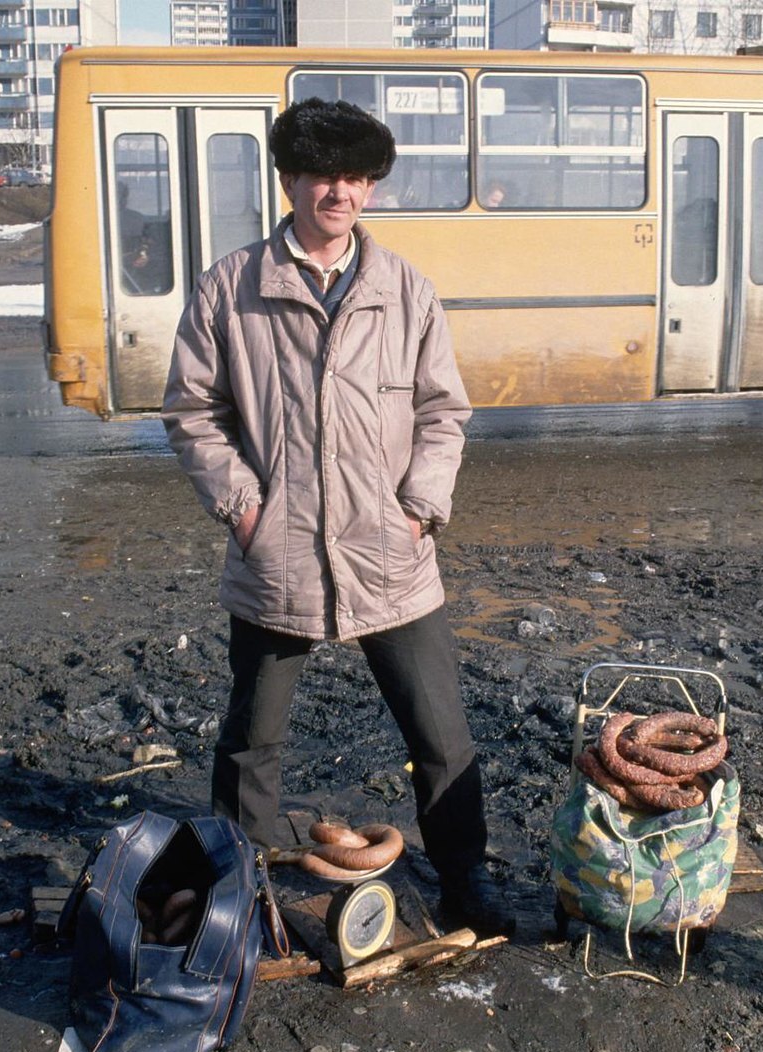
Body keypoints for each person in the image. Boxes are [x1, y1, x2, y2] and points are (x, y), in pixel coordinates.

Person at [162, 98, 514, 938]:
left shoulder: (404, 290)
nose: (341, 192)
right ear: (289, 180)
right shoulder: (232, 287)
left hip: (392, 552)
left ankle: (465, 879)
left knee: (441, 735)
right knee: (251, 744)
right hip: (277, 555)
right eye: (324, 174)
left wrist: (421, 508)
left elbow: (442, 411)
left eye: (357, 177)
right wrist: (246, 509)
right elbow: (191, 411)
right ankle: (237, 893)